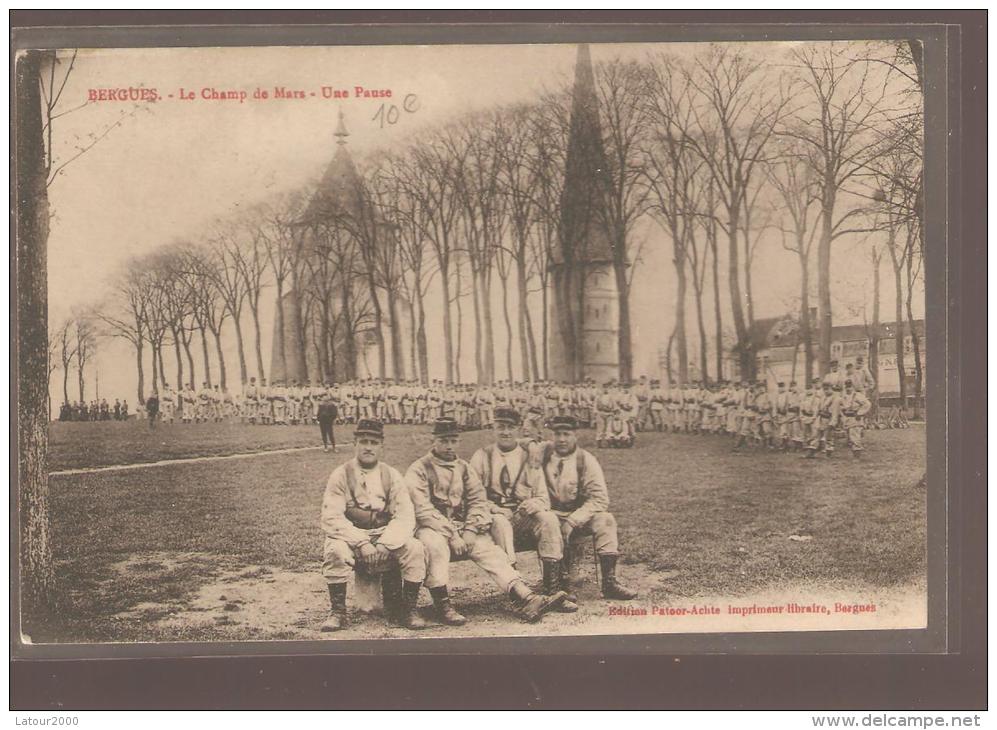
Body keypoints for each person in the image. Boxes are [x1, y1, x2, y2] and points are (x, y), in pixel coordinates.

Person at [405, 417, 567, 625]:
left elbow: (478, 501)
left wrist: (471, 530)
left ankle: (526, 597)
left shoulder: (463, 467)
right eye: (443, 440)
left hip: (461, 528)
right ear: (432, 441)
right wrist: (453, 535)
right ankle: (442, 605)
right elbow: (422, 509)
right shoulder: (419, 468)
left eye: (453, 441)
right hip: (431, 528)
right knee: (435, 546)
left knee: (488, 549)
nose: (449, 446)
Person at [319, 419, 428, 632]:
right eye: (363, 441)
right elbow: (331, 517)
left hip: (384, 534)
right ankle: (338, 611)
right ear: (355, 444)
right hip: (352, 535)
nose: (368, 447)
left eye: (374, 442)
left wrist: (386, 543)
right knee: (335, 549)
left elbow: (405, 515)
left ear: (381, 446)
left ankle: (408, 609)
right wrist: (361, 543)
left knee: (415, 548)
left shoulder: (392, 475)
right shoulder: (341, 474)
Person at [469, 408, 578, 612]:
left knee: (548, 519)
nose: (505, 432)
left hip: (520, 518)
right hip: (491, 519)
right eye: (500, 427)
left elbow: (542, 497)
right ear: (493, 428)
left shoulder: (529, 457)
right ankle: (519, 596)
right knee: (501, 522)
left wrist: (533, 505)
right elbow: (471, 497)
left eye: (510, 427)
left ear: (518, 430)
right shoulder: (482, 456)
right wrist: (494, 508)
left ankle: (551, 591)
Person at [536, 416, 637, 600]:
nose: (561, 439)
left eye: (567, 434)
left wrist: (573, 521)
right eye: (557, 434)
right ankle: (555, 586)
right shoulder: (542, 454)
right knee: (549, 523)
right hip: (548, 515)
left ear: (576, 436)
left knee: (606, 520)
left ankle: (609, 583)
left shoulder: (586, 460)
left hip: (577, 514)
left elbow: (600, 499)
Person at [839, 380, 872, 458]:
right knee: (850, 437)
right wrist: (843, 411)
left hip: (855, 418)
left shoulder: (857, 395)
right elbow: (841, 406)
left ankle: (857, 455)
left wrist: (859, 413)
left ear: (853, 387)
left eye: (850, 387)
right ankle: (855, 452)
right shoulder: (844, 396)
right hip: (848, 418)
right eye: (846, 387)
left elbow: (867, 404)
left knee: (855, 436)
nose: (848, 389)